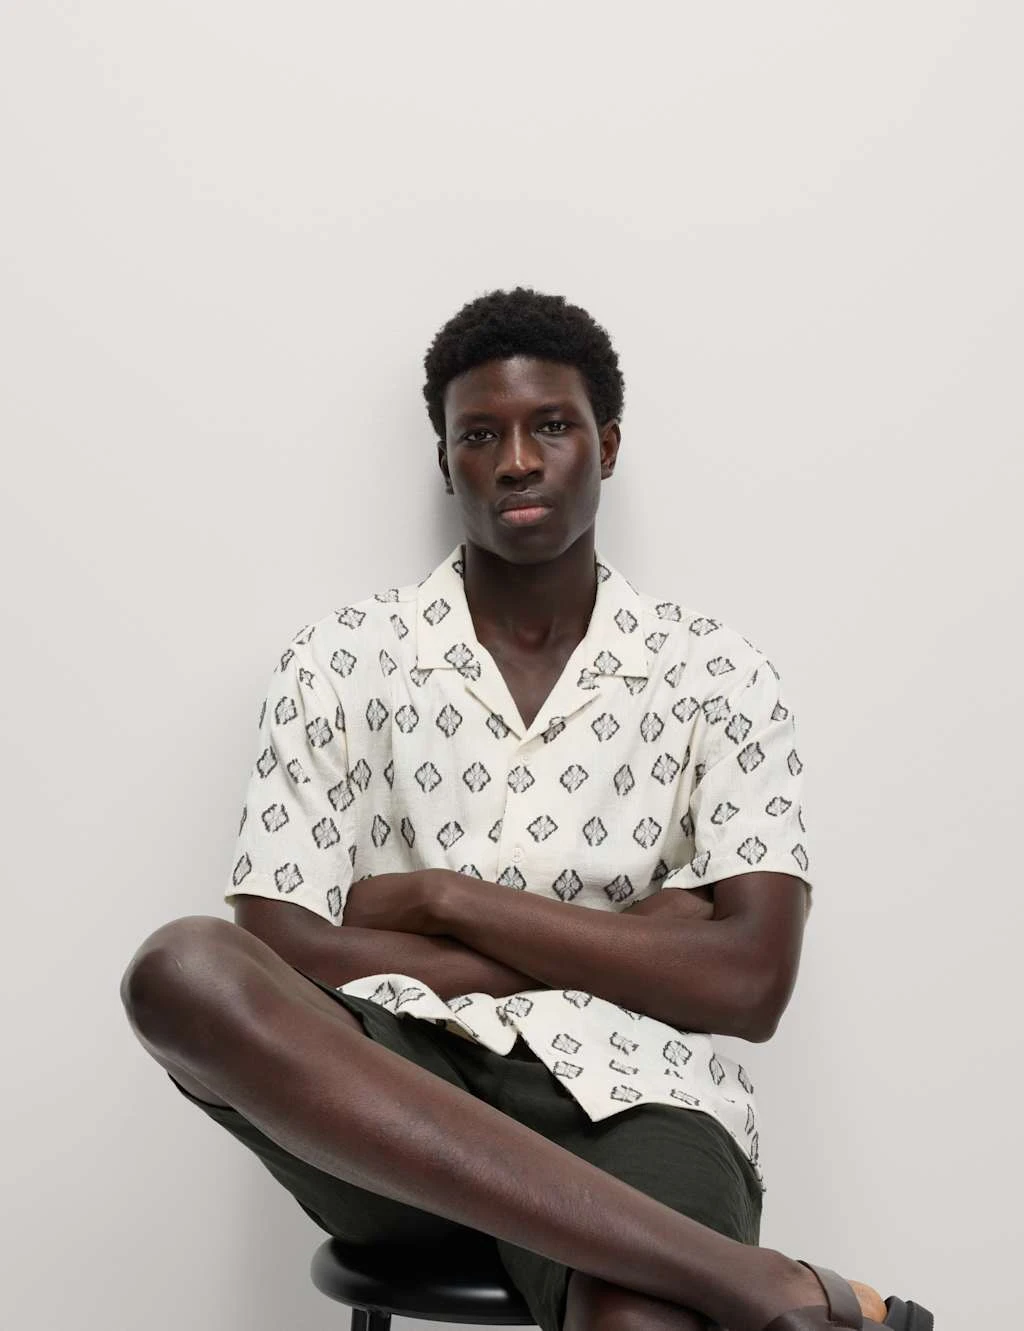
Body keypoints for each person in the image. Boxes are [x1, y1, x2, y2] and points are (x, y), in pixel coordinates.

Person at [120, 288, 931, 1331]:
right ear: (444, 459)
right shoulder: (338, 662)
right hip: (386, 1103)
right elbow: (281, 951)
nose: (514, 460)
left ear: (608, 444)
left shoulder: (720, 676)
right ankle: (758, 1284)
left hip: (635, 1095)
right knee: (182, 969)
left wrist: (443, 901)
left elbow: (750, 982)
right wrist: (629, 947)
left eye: (550, 425)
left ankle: (687, 1268)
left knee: (638, 1321)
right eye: (478, 435)